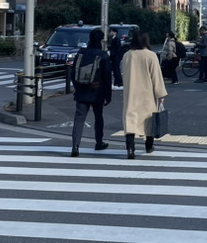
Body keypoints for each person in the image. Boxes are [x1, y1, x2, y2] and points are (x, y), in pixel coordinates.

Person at [121, 30, 168, 158]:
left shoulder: (127, 55)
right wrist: (160, 94)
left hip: (131, 92)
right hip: (147, 93)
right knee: (149, 120)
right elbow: (156, 77)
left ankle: (130, 148)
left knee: (130, 120)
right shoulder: (151, 55)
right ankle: (149, 145)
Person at [70, 27, 113, 156]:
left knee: (79, 118)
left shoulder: (81, 53)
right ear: (100, 40)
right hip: (97, 92)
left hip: (81, 91)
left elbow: (73, 73)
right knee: (98, 117)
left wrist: (77, 87)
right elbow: (107, 77)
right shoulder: (103, 55)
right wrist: (108, 95)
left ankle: (75, 146)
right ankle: (99, 142)